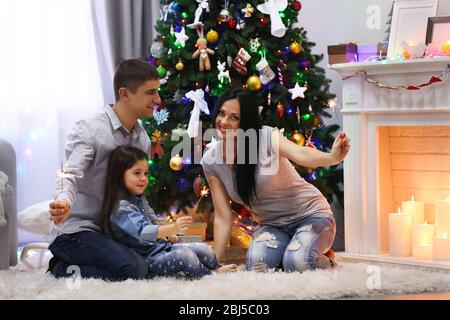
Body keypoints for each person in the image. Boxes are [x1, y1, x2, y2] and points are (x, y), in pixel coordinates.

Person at [200, 88, 350, 273]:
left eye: (234, 117)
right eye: (222, 113)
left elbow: (300, 153)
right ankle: (291, 254)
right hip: (270, 226)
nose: (223, 122)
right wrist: (213, 265)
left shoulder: (265, 137)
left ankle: (325, 263)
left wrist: (332, 158)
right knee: (258, 267)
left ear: (246, 121)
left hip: (311, 216)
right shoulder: (211, 161)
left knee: (297, 263)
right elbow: (223, 217)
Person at [47, 59, 162, 281]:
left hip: (113, 232)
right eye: (151, 93)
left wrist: (155, 224)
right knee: (134, 269)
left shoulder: (142, 139)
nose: (158, 100)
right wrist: (63, 201)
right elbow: (69, 173)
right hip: (76, 231)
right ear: (125, 94)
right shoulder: (89, 130)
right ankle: (60, 268)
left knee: (149, 262)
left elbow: (137, 194)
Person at [101, 145, 237, 279]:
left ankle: (216, 267)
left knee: (204, 249)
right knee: (185, 257)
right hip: (149, 260)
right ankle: (209, 276)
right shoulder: (121, 208)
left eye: (146, 173)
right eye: (137, 173)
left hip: (162, 247)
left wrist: (168, 233)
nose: (144, 178)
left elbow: (154, 219)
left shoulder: (139, 198)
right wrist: (172, 228)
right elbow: (143, 232)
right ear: (119, 176)